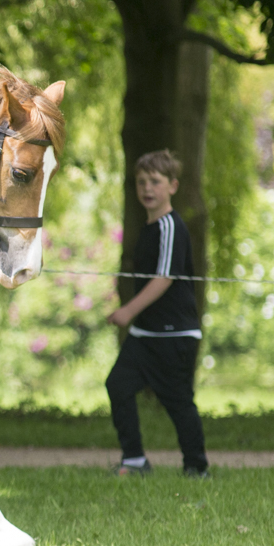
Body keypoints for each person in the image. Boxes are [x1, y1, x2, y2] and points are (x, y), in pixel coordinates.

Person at [104, 150, 209, 478]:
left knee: (178, 402)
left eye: (155, 182)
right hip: (145, 335)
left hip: (173, 334)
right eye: (141, 182)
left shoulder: (169, 226)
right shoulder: (149, 228)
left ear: (173, 186)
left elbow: (164, 278)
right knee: (118, 384)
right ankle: (134, 459)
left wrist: (127, 311)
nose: (147, 188)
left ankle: (197, 467)